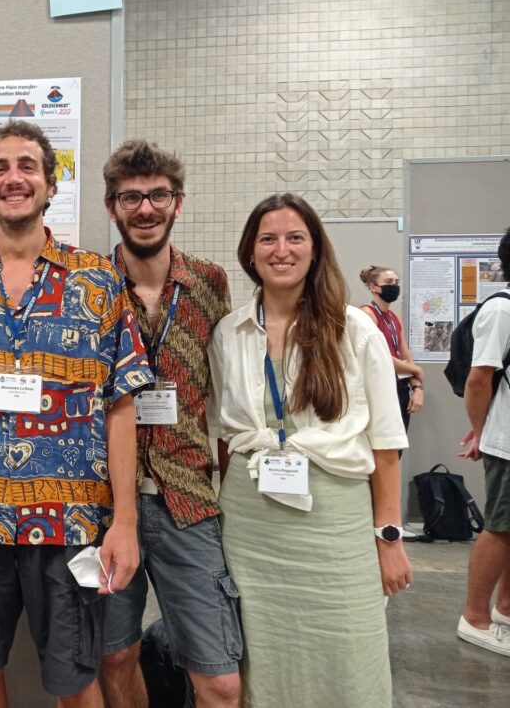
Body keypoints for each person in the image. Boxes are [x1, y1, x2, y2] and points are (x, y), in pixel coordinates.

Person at [0, 120, 152, 707]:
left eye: (28, 166)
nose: (14, 178)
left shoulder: (97, 279)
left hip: (73, 520)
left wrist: (125, 522)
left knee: (76, 679)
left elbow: (121, 406)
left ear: (51, 185)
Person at [208, 193, 412, 707]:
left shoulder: (354, 329)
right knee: (262, 657)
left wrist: (388, 538)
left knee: (348, 652)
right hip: (250, 528)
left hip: (334, 523)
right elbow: (225, 438)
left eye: (295, 237)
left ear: (315, 249)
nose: (282, 250)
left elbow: (386, 444)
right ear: (250, 252)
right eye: (268, 239)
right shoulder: (229, 333)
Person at [98, 140, 241, 708]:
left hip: (188, 499)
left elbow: (226, 391)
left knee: (220, 678)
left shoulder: (209, 282)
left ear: (178, 202)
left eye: (158, 195)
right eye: (130, 197)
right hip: (105, 503)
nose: (145, 208)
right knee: (115, 656)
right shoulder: (89, 286)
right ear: (112, 207)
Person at [456, 225, 510, 656]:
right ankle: (474, 617)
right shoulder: (501, 309)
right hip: (507, 442)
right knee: (500, 528)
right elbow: (479, 379)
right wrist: (480, 430)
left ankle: (505, 608)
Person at [358, 266, 424, 447]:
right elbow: (380, 357)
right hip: (378, 390)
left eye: (396, 282)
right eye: (388, 282)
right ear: (373, 287)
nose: (394, 286)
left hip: (399, 388)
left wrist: (417, 387)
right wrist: (415, 369)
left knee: (397, 447)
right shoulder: (366, 314)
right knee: (381, 448)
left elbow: (405, 356)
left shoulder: (394, 317)